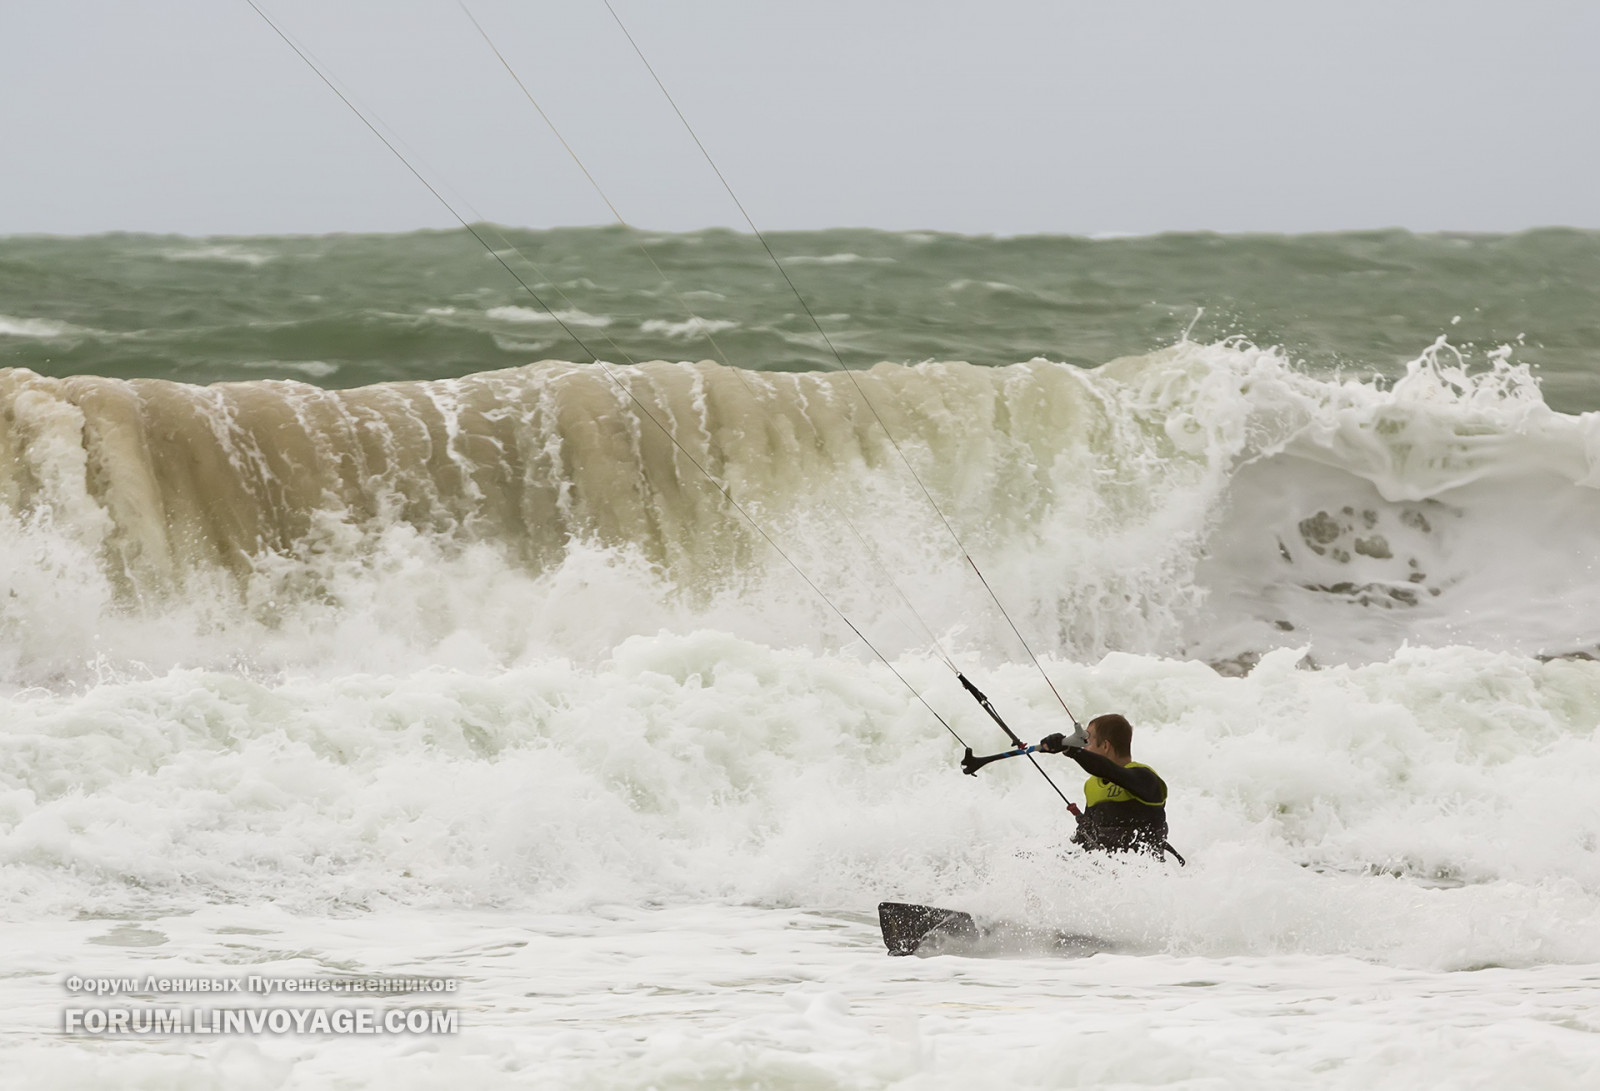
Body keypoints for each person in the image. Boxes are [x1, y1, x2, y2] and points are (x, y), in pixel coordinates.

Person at [1038, 714, 1169, 857]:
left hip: (1145, 869)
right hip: (1102, 869)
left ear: (1105, 746)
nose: (1083, 748)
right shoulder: (1092, 786)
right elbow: (1082, 843)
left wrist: (1071, 750)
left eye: (1086, 742)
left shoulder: (1145, 779)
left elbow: (1110, 771)